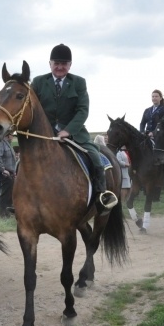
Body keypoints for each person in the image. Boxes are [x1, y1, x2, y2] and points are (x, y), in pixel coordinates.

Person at [30, 44, 118, 214]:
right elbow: (31, 107)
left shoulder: (79, 82)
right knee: (22, 162)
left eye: (64, 63)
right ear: (50, 64)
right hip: (45, 136)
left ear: (70, 65)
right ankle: (23, 200)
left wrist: (68, 131)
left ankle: (101, 196)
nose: (60, 67)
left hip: (74, 134)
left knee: (95, 157)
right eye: (56, 63)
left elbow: (82, 110)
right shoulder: (38, 82)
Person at [0, 131, 16, 217]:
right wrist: (3, 169)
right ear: (8, 135)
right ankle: (2, 213)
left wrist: (13, 171)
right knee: (5, 193)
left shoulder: (8, 143)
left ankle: (7, 212)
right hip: (4, 172)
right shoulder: (1, 143)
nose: (13, 137)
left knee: (9, 192)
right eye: (12, 135)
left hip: (9, 171)